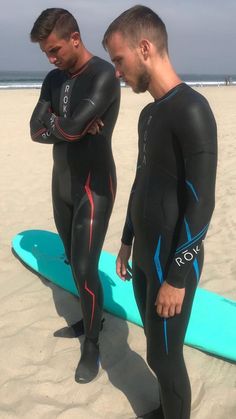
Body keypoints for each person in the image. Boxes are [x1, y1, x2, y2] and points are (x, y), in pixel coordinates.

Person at [103, 5, 217, 419]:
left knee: (168, 360)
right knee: (154, 351)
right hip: (144, 255)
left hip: (171, 260)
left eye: (119, 59)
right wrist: (126, 240)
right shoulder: (150, 114)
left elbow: (201, 201)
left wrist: (176, 277)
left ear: (145, 48)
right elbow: (141, 181)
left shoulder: (192, 109)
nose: (116, 71)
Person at [30, 8, 120, 384]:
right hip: (61, 184)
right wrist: (66, 127)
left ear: (75, 39)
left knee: (85, 267)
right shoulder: (53, 78)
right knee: (73, 261)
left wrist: (67, 127)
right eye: (46, 54)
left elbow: (68, 129)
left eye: (54, 50)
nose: (51, 59)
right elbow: (37, 130)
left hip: (94, 186)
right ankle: (90, 316)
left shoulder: (103, 75)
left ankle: (92, 345)